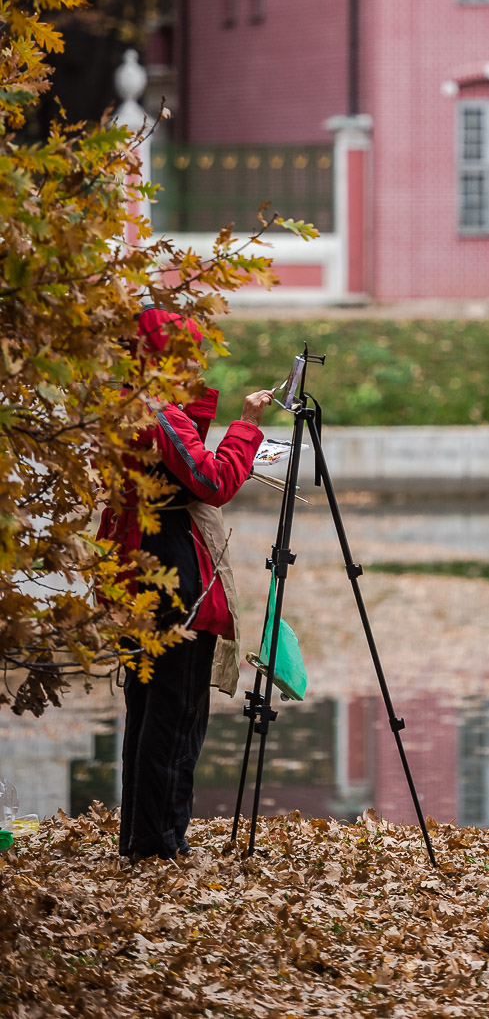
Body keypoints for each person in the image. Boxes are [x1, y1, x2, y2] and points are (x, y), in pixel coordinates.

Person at [97, 306, 273, 861]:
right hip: (175, 582)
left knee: (147, 713)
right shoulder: (156, 413)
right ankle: (157, 847)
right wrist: (245, 426)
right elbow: (212, 480)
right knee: (175, 721)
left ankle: (143, 838)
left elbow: (178, 461)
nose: (194, 365)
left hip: (136, 577)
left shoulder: (123, 405)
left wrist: (196, 408)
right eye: (185, 355)